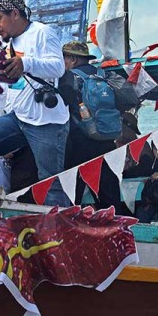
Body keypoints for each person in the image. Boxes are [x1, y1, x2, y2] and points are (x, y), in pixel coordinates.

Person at [0, 0, 70, 206]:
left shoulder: (42, 32)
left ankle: (61, 227)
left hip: (47, 122)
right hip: (17, 117)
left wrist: (25, 62)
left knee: (50, 182)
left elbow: (58, 67)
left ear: (15, 14)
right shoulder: (8, 43)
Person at [58, 41, 118, 205]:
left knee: (72, 194)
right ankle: (116, 228)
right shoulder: (104, 75)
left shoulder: (68, 78)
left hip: (80, 142)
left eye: (63, 58)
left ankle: (70, 227)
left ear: (73, 59)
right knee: (109, 195)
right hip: (107, 140)